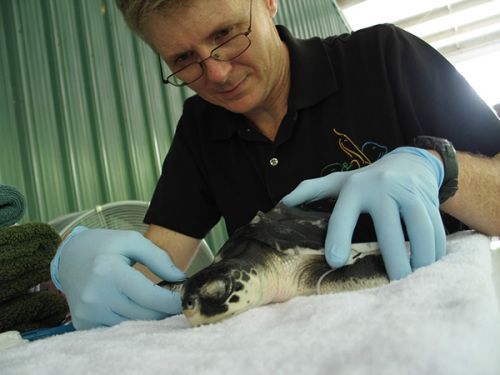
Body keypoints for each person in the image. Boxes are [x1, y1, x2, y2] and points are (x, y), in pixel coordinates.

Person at [50, 0, 500, 330]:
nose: (218, 74)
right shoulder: (200, 128)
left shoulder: (382, 56)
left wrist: (439, 168)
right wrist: (75, 268)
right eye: (183, 59)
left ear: (267, 3)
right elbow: (152, 270)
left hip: (447, 329)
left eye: (225, 34)